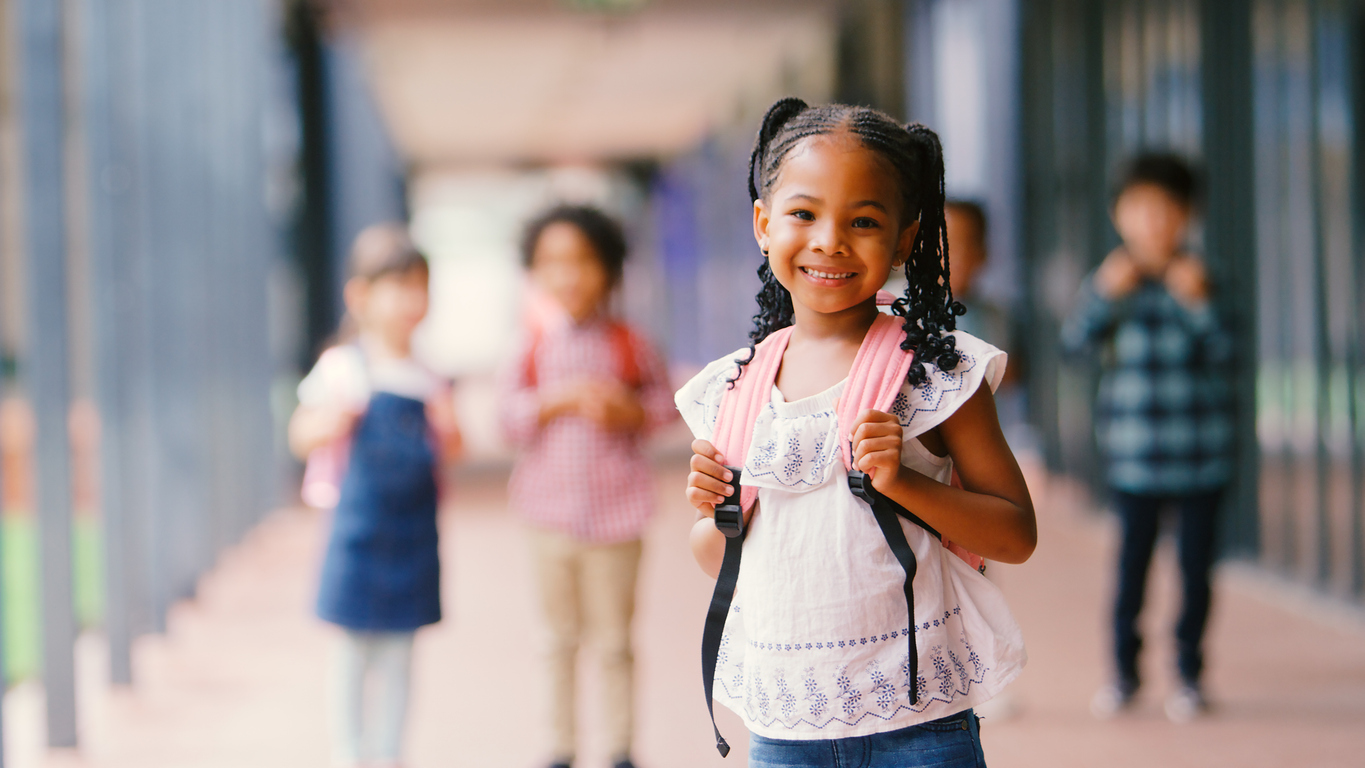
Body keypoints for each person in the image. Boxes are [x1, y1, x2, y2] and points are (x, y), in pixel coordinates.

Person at [678, 98, 1036, 768]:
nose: (829, 241)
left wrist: (900, 482)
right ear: (762, 223)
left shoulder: (936, 374)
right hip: (786, 728)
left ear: (904, 238)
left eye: (863, 221)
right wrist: (712, 514)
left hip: (919, 725)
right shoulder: (730, 389)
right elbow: (725, 560)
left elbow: (1014, 534)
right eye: (803, 214)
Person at [499, 205, 677, 768]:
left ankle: (621, 748)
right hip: (546, 516)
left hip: (619, 515)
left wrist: (628, 410)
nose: (569, 275)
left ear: (609, 270)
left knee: (615, 641)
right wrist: (551, 400)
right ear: (535, 272)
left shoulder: (630, 342)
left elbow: (664, 405)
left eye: (582, 261)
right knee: (556, 639)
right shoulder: (530, 347)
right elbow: (505, 421)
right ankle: (560, 748)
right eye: (553, 262)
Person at [1061, 153, 1231, 723]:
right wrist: (1105, 296)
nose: (1155, 223)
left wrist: (1199, 303)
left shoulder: (1206, 279)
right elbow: (1072, 350)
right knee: (1131, 573)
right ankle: (1125, 676)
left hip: (1201, 458)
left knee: (1195, 574)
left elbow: (1231, 357)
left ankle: (1189, 675)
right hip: (1133, 459)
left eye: (1168, 210)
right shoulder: (1112, 282)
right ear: (1120, 215)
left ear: (1188, 216)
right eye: (1142, 210)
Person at [289, 224, 462, 768]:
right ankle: (349, 752)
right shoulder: (341, 368)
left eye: (419, 287)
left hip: (413, 537)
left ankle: (389, 753)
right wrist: (329, 421)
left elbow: (453, 448)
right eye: (398, 286)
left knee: (399, 655)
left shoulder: (430, 376)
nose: (411, 300)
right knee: (350, 652)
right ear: (360, 296)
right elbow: (299, 433)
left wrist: (448, 425)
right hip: (357, 536)